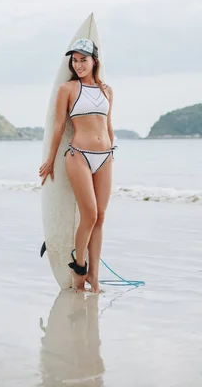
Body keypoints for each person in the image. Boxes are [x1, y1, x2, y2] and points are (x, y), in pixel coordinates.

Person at [39, 38, 115, 293]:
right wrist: (49, 160)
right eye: (75, 60)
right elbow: (59, 126)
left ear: (95, 61)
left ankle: (95, 276)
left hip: (105, 157)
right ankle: (78, 271)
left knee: (101, 218)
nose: (79, 64)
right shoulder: (68, 89)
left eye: (84, 59)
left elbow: (108, 125)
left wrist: (111, 152)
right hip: (78, 155)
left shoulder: (107, 90)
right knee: (90, 215)